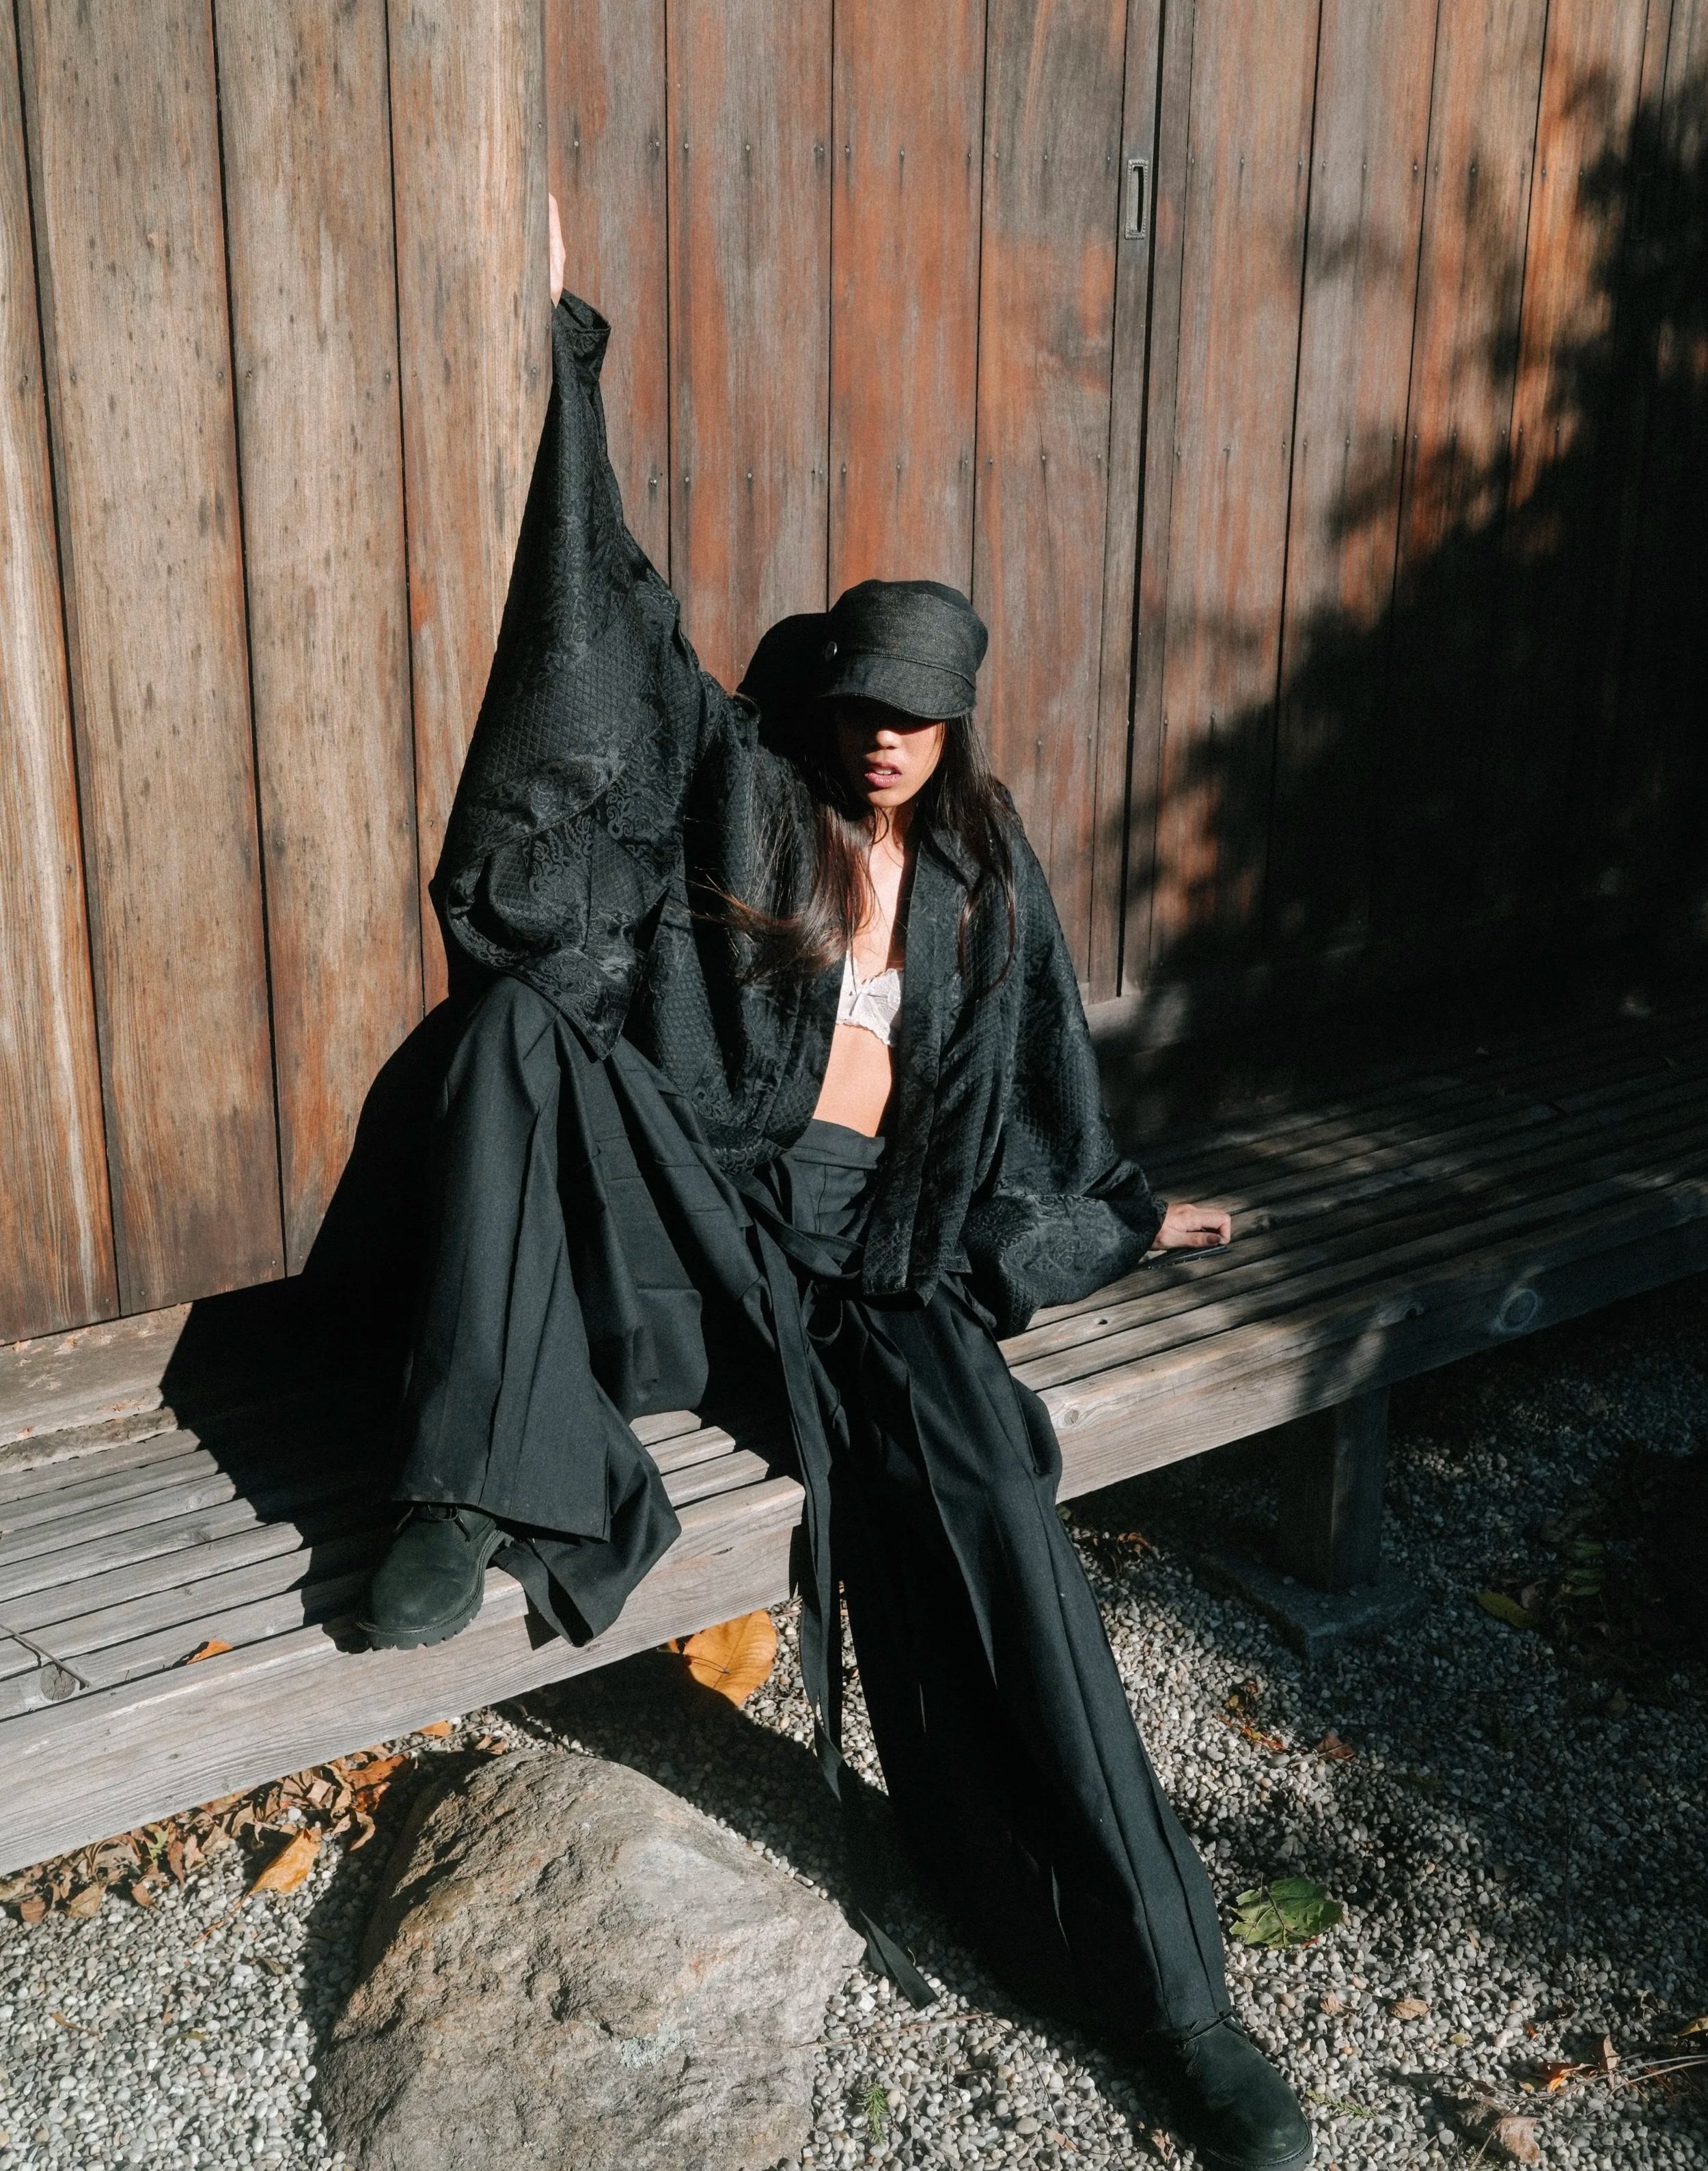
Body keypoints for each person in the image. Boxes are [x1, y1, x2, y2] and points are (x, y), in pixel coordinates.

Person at [357, 195, 1312, 2171]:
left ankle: (1171, 1994)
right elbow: (605, 619)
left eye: (916, 713)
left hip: (884, 1266)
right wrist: (566, 350)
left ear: (957, 723)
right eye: (860, 706)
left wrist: (1130, 1210)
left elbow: (1033, 1106)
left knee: (996, 1501)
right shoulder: (742, 784)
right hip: (708, 1225)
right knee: (518, 1035)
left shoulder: (977, 875)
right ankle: (463, 1479)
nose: (882, 739)